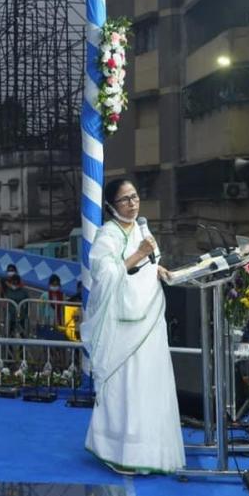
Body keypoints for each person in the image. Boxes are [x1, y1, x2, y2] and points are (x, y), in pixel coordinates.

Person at [81, 179, 185, 475]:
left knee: (151, 381)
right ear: (111, 206)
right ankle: (119, 449)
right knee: (126, 383)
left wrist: (159, 268)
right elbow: (105, 274)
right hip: (122, 323)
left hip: (150, 316)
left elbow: (151, 262)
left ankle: (152, 450)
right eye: (125, 199)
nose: (132, 203)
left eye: (135, 196)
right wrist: (138, 254)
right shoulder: (107, 234)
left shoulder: (142, 227)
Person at [37, 274, 65, 339]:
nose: (55, 286)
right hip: (47, 320)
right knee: (48, 337)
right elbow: (41, 308)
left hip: (59, 320)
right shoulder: (44, 295)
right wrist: (41, 320)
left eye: (56, 285)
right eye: (53, 284)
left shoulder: (62, 296)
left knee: (57, 337)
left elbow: (63, 308)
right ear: (49, 284)